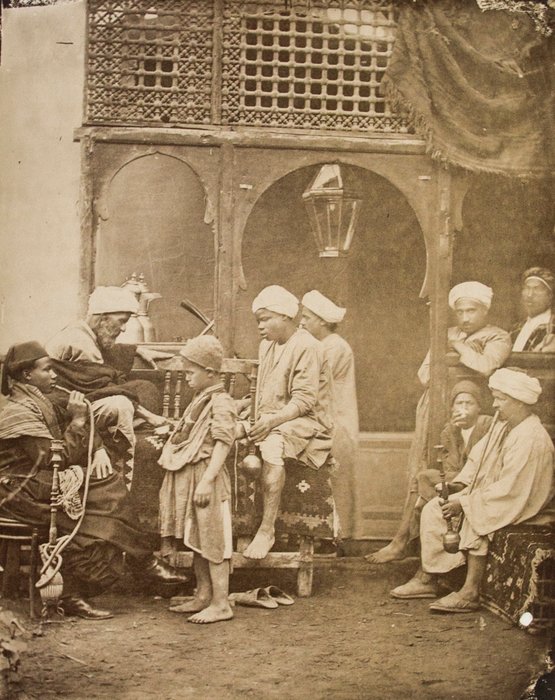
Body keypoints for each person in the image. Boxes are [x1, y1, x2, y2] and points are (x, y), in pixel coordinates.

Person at [0, 342, 188, 620]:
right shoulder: (19, 410)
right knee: (103, 497)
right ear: (27, 375)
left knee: (104, 492)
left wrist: (96, 446)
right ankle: (138, 562)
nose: (54, 376)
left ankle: (81, 590)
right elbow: (53, 458)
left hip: (36, 482)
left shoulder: (41, 400)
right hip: (16, 490)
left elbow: (85, 414)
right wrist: (76, 423)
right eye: (47, 370)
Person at [367, 281, 512, 564]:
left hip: (472, 414)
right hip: (434, 407)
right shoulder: (444, 334)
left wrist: (457, 347)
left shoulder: (498, 337)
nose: (465, 317)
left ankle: (443, 554)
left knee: (456, 475)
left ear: (485, 310)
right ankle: (404, 541)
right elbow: (425, 374)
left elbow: (487, 366)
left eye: (472, 310)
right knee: (421, 471)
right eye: (460, 311)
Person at [390, 368, 554, 613]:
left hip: (524, 500)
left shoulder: (531, 438)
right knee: (435, 506)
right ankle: (429, 577)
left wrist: (465, 502)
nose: (495, 405)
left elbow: (512, 490)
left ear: (519, 402)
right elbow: (480, 460)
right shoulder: (505, 425)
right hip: (497, 492)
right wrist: (459, 486)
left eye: (501, 399)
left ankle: (470, 591)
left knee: (475, 514)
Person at [239, 285, 333, 560]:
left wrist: (270, 422)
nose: (260, 326)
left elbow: (304, 401)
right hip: (275, 417)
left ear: (286, 317)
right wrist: (248, 406)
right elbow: (269, 390)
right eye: (258, 320)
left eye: (265, 319)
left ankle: (267, 530)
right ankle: (233, 529)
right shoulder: (267, 345)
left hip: (307, 422)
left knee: (272, 445)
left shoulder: (308, 347)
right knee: (226, 433)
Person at [45, 286, 170, 485]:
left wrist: (137, 350)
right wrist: (149, 416)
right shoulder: (79, 341)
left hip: (78, 400)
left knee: (142, 387)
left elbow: (103, 361)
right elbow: (98, 386)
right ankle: (120, 466)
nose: (123, 329)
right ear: (103, 318)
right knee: (121, 402)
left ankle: (131, 424)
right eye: (122, 321)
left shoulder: (81, 330)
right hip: (63, 412)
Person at [158, 336, 236, 624]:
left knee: (213, 539)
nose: (186, 377)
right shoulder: (200, 400)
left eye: (191, 372)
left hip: (207, 476)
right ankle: (204, 595)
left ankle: (221, 603)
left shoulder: (221, 401)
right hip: (192, 474)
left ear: (211, 373)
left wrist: (206, 481)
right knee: (197, 539)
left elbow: (223, 442)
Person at [300, 290, 359, 540]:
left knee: (336, 481)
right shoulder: (320, 346)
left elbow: (313, 383)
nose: (301, 323)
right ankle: (323, 535)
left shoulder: (335, 347)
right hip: (324, 421)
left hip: (336, 423)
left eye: (306, 318)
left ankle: (338, 537)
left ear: (322, 321)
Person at [416, 380, 492, 505]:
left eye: (469, 403)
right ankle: (437, 505)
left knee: (422, 497)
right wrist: (453, 431)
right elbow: (450, 466)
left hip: (478, 477)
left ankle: (438, 505)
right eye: (459, 403)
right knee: (422, 477)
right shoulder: (449, 431)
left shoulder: (486, 424)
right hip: (457, 475)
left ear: (479, 407)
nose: (464, 407)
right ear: (452, 408)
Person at [511, 267, 555, 353]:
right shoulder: (515, 329)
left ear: (550, 295)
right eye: (527, 288)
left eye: (537, 289)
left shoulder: (553, 328)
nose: (530, 294)